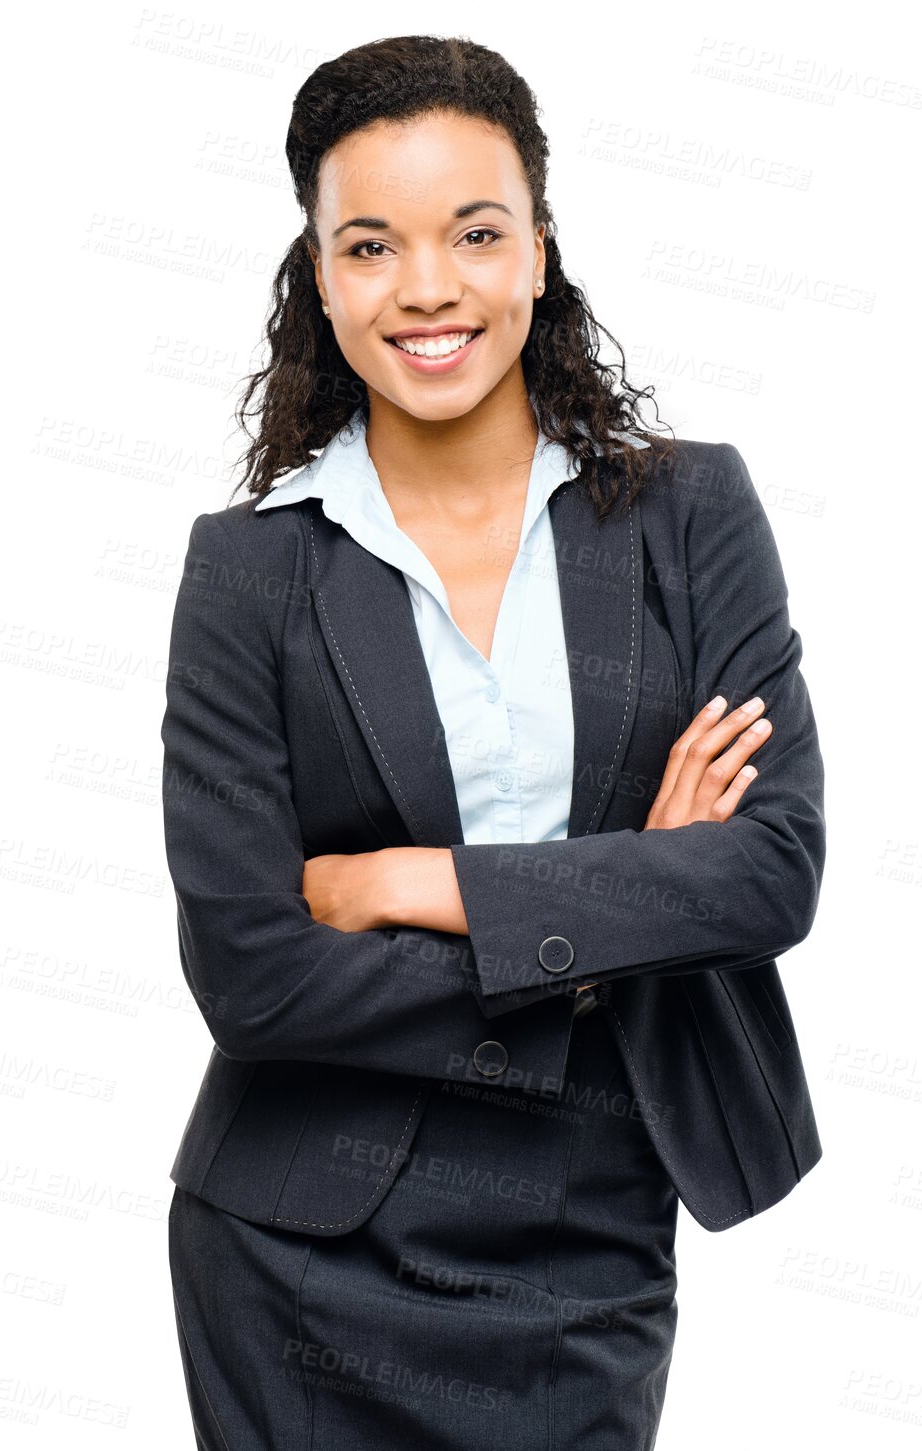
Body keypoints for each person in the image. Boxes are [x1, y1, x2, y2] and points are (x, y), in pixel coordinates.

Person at [160, 34, 826, 1450]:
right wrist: (610, 921)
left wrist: (413, 881)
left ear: (537, 249)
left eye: (474, 231)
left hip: (583, 1229)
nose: (426, 288)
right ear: (316, 277)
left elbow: (768, 876)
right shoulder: (247, 573)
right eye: (367, 244)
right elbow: (252, 978)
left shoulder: (688, 518)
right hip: (294, 1243)